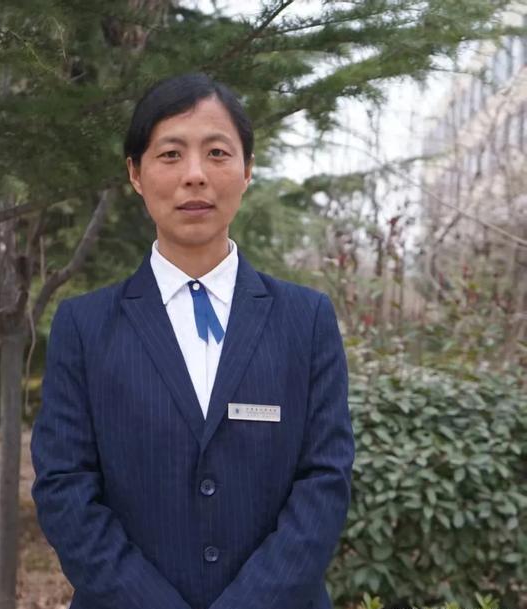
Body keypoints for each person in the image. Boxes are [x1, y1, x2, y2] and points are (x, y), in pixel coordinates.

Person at [30, 72, 355, 609]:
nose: (196, 175)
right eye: (171, 154)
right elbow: (65, 486)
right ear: (135, 174)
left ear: (247, 170)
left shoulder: (306, 320)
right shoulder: (84, 327)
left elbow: (325, 480)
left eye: (218, 153)